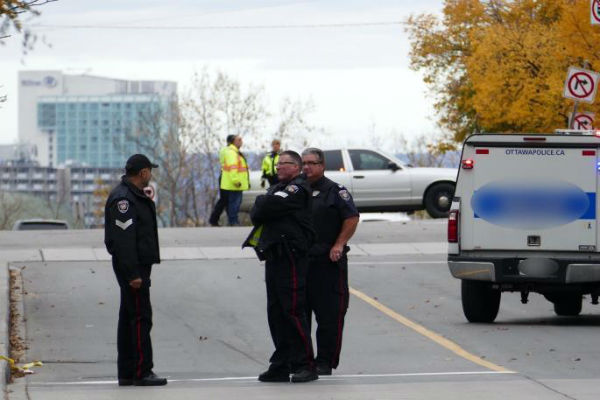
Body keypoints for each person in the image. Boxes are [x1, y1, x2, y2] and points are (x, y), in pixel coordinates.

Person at [243, 150, 318, 383]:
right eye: (277, 164)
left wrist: (264, 202)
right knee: (275, 312)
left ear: (296, 167)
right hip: (274, 255)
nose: (278, 167)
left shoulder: (298, 188)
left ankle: (305, 364)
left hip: (291, 256)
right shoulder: (277, 188)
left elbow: (269, 207)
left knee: (292, 310)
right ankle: (282, 364)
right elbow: (257, 212)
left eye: (284, 164)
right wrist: (263, 202)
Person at [104, 154, 167, 387]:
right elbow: (124, 240)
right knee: (140, 318)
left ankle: (128, 372)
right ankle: (142, 371)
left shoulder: (133, 195)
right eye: (150, 171)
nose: (150, 175)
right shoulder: (125, 200)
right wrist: (133, 274)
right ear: (143, 172)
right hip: (133, 268)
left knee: (129, 317)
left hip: (136, 266)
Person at [301, 148, 359, 376]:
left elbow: (351, 218)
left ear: (322, 165)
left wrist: (339, 244)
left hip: (327, 261)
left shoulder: (335, 191)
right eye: (304, 163)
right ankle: (302, 360)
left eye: (311, 163)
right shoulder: (296, 190)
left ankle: (324, 361)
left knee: (330, 315)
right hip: (301, 262)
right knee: (299, 315)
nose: (307, 167)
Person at [208, 134, 236, 226]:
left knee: (226, 200)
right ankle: (214, 219)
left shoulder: (226, 150)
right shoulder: (228, 151)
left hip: (225, 177)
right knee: (224, 200)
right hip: (226, 178)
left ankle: (230, 220)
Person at [221, 135, 249, 225]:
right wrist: (235, 181)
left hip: (237, 183)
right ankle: (233, 221)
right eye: (239, 140)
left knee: (235, 202)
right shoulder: (232, 153)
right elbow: (233, 168)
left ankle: (233, 221)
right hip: (235, 183)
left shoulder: (235, 152)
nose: (241, 142)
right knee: (234, 203)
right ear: (234, 142)